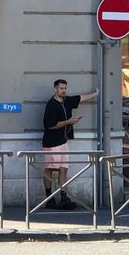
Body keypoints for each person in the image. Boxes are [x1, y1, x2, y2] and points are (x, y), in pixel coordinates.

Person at [42, 79, 98, 210]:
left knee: (63, 169)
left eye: (65, 88)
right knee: (50, 169)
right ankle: (49, 198)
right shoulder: (51, 104)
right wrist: (69, 122)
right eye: (61, 88)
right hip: (52, 141)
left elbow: (80, 98)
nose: (64, 91)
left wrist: (95, 94)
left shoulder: (66, 101)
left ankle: (63, 197)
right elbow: (50, 125)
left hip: (63, 141)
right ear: (55, 89)